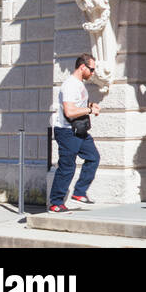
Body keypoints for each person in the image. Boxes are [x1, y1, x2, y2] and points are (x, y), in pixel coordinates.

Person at [49, 53, 100, 212]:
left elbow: (77, 104)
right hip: (67, 131)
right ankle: (56, 203)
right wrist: (90, 110)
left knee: (93, 157)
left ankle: (79, 192)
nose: (93, 73)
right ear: (82, 67)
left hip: (79, 130)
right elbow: (70, 111)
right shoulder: (70, 85)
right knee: (67, 167)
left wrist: (91, 105)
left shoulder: (78, 84)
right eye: (91, 70)